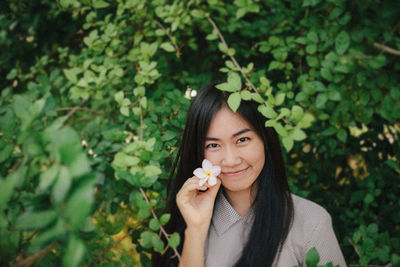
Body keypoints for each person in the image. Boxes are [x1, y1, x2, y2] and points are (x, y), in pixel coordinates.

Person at [152, 83, 347, 267]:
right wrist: (195, 228)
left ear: (265, 140)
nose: (230, 160)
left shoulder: (311, 222)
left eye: (242, 139)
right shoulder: (183, 221)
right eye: (213, 145)